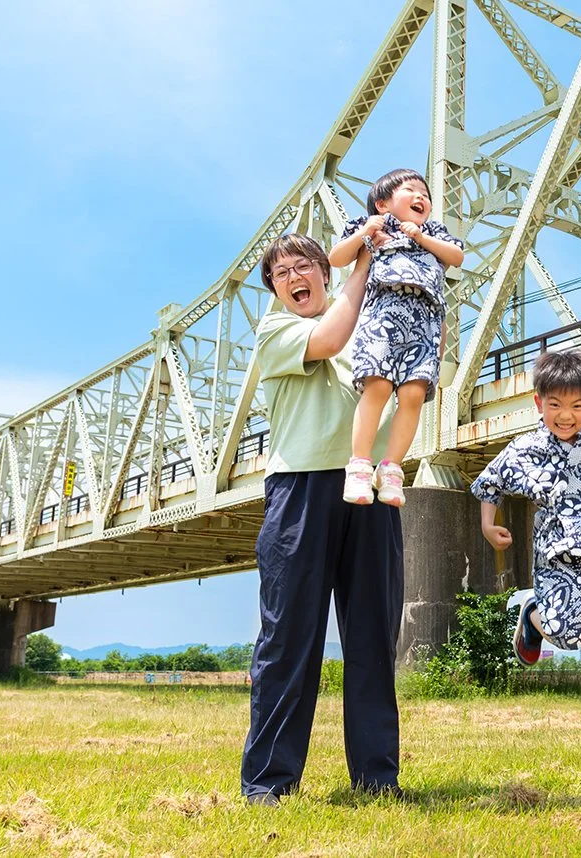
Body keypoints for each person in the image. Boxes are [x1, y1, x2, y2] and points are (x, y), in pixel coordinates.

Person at [240, 232, 405, 804]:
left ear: (322, 272)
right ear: (275, 290)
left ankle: (378, 781)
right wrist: (362, 259)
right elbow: (332, 336)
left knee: (373, 640)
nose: (293, 277)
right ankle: (268, 784)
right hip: (300, 488)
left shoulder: (374, 323)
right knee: (288, 638)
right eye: (280, 273)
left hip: (373, 487)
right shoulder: (276, 330)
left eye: (304, 265)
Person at [471, 350, 581, 665]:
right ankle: (533, 614)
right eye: (555, 405)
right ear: (539, 403)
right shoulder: (528, 448)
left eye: (577, 406)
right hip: (557, 557)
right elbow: (491, 481)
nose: (565, 416)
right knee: (566, 635)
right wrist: (487, 525)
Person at [329, 168, 464, 507]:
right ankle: (359, 465)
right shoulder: (374, 227)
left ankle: (391, 468)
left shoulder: (433, 232)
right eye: (411, 190)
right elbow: (336, 258)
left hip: (425, 321)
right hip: (383, 316)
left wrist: (420, 237)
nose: (422, 197)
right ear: (383, 204)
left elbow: (456, 257)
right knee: (378, 386)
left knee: (414, 394)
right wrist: (365, 231)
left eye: (426, 194)